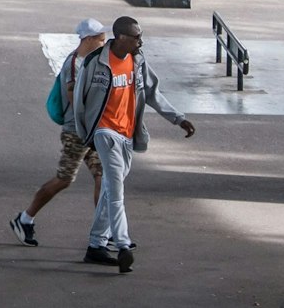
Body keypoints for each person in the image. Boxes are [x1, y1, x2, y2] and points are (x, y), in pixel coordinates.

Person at [69, 16, 196, 273]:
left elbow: (152, 93)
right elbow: (79, 102)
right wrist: (88, 136)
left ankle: (96, 246)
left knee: (108, 189)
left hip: (127, 134)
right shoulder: (95, 63)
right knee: (116, 190)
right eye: (137, 36)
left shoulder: (137, 61)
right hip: (104, 133)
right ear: (122, 38)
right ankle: (123, 244)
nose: (141, 41)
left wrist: (178, 119)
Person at [9, 17, 111, 245]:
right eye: (101, 40)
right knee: (64, 179)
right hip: (77, 132)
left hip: (92, 131)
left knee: (102, 177)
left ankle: (104, 231)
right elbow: (76, 99)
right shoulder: (75, 64)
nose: (104, 45)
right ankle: (25, 219)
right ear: (89, 39)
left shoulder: (90, 61)